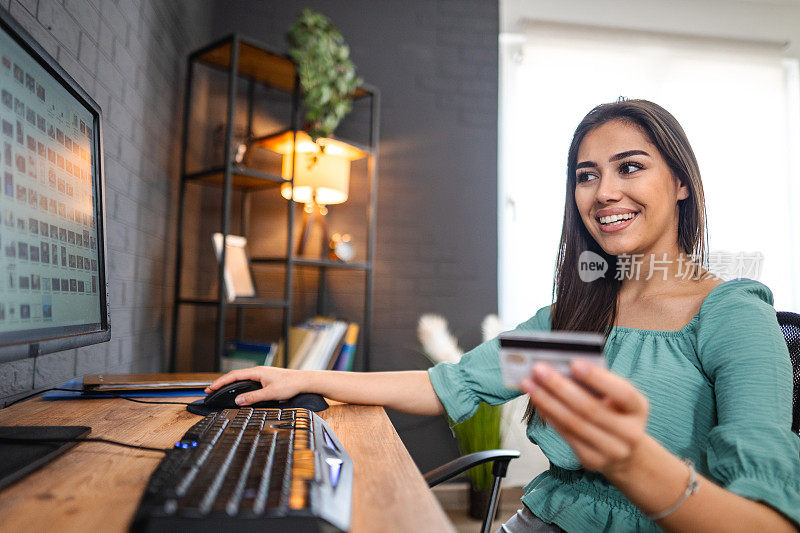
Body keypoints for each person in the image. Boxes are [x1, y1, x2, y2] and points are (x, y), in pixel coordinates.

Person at [206, 100, 800, 532]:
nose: (603, 192)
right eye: (586, 176)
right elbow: (451, 384)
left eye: (630, 167)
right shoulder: (579, 317)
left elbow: (767, 523)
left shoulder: (731, 316)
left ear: (681, 183)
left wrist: (630, 462)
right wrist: (302, 379)